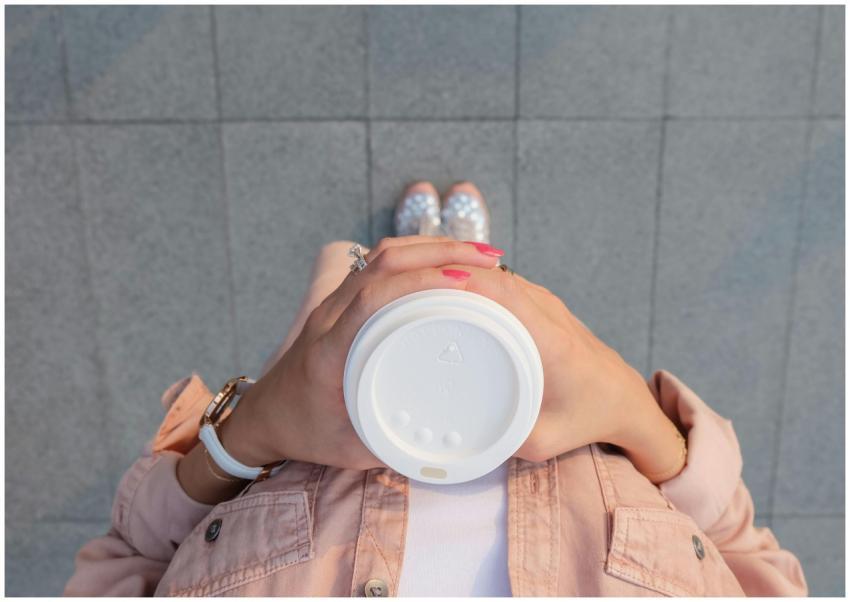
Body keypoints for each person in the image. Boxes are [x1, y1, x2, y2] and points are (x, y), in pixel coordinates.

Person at [65, 181, 807, 597]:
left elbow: (130, 556)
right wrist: (630, 408)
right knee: (478, 301)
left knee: (351, 293)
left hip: (320, 415)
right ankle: (456, 255)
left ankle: (403, 258)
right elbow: (745, 555)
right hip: (529, 391)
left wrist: (248, 431)